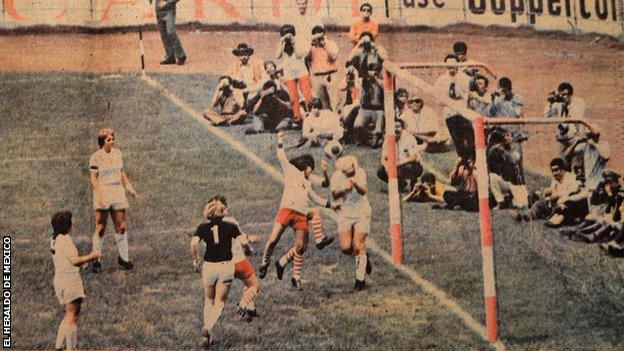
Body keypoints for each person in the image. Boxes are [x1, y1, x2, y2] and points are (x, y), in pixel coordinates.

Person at [258, 132, 334, 290]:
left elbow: (318, 195)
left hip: (301, 215)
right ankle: (265, 263)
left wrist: (332, 205)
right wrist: (280, 139)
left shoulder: (308, 182)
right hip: (286, 210)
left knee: (300, 247)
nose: (311, 173)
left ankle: (296, 278)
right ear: (307, 167)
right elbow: (281, 156)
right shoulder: (292, 171)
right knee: (273, 240)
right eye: (311, 170)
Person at [190, 199, 244, 349]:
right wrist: (250, 241)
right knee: (220, 302)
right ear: (221, 213)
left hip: (208, 267)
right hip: (226, 266)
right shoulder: (231, 226)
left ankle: (208, 336)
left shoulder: (202, 227)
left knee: (209, 300)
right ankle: (208, 327)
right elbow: (243, 242)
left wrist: (196, 260)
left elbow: (194, 243)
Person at [203, 195, 261, 322]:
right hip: (239, 262)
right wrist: (250, 247)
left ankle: (251, 308)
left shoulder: (207, 226)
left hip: (222, 266)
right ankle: (243, 305)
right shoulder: (232, 221)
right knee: (254, 285)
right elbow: (243, 241)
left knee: (216, 299)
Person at [51, 211, 101, 351]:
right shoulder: (65, 239)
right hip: (70, 281)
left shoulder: (55, 238)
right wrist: (91, 256)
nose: (74, 222)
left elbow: (66, 259)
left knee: (69, 314)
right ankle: (71, 348)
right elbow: (74, 260)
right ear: (67, 224)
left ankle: (59, 346)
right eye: (72, 220)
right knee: (73, 315)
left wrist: (81, 263)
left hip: (60, 279)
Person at [89, 129, 138, 273]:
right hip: (103, 191)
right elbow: (94, 179)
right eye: (108, 140)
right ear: (102, 142)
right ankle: (96, 259)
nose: (112, 142)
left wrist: (129, 187)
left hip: (117, 191)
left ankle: (124, 258)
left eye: (112, 139)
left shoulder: (118, 153)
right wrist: (100, 196)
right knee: (101, 227)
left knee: (121, 226)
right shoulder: (95, 157)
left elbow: (121, 172)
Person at [331, 155, 373, 290]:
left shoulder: (360, 173)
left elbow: (363, 191)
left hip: (362, 212)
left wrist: (355, 183)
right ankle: (364, 258)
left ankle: (360, 281)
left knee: (358, 246)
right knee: (346, 248)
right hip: (346, 214)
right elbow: (334, 194)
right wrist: (345, 189)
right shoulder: (336, 176)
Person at [515, 158, 581, 222]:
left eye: (556, 170)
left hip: (564, 205)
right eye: (553, 171)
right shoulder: (555, 179)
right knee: (534, 196)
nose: (554, 173)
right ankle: (529, 212)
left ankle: (528, 216)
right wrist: (548, 190)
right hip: (552, 203)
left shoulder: (571, 178)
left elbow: (574, 191)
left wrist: (558, 195)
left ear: (563, 170)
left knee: (539, 204)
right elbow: (552, 190)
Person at [435, 54, 472, 160]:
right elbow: (438, 100)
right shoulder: (441, 80)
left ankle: (472, 162)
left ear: (458, 64)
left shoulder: (465, 78)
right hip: (450, 114)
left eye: (453, 63)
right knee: (458, 142)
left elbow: (468, 96)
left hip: (465, 114)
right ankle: (464, 163)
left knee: (470, 140)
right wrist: (448, 97)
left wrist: (459, 94)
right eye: (448, 64)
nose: (451, 66)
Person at [276, 24, 314, 127]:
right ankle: (297, 118)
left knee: (307, 95)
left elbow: (299, 54)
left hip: (301, 71)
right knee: (293, 98)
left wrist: (293, 42)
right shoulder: (282, 44)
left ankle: (311, 116)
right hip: (289, 73)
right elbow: (277, 55)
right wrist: (281, 42)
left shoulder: (298, 42)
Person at [377, 119, 424, 192]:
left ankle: (414, 181)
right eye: (394, 127)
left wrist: (398, 163)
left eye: (398, 126)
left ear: (402, 128)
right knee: (380, 171)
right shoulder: (388, 138)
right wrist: (387, 167)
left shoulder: (409, 138)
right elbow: (383, 158)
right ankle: (400, 184)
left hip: (412, 164)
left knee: (406, 167)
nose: (396, 129)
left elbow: (413, 157)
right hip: (396, 164)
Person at [487, 129, 528, 209]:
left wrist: (502, 150)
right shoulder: (499, 149)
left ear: (512, 137)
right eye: (504, 136)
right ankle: (500, 202)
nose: (505, 137)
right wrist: (493, 147)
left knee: (521, 206)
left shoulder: (516, 148)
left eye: (507, 135)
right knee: (492, 177)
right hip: (506, 182)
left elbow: (514, 159)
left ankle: (513, 198)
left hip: (517, 184)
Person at [544, 82, 587, 154]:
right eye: (561, 94)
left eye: (565, 95)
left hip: (575, 140)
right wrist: (550, 103)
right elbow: (547, 115)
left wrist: (567, 106)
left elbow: (576, 116)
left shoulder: (579, 103)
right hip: (563, 141)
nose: (563, 97)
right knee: (560, 162)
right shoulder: (558, 104)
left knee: (575, 164)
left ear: (571, 94)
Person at [307, 26, 339, 110]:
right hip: (317, 77)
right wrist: (311, 41)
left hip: (330, 75)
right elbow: (304, 57)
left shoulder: (330, 43)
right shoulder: (311, 47)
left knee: (334, 103)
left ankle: (336, 121)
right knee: (322, 104)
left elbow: (334, 56)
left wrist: (324, 45)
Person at [353, 62, 385, 148]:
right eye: (371, 70)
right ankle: (371, 137)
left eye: (376, 70)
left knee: (378, 127)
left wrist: (375, 78)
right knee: (357, 125)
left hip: (379, 110)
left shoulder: (382, 80)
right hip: (366, 109)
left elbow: (384, 87)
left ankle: (374, 138)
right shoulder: (366, 81)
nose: (373, 72)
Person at [154, 0, 186, 65]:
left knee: (170, 31)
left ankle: (181, 55)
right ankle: (170, 57)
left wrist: (166, 3)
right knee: (164, 35)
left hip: (169, 10)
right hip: (159, 10)